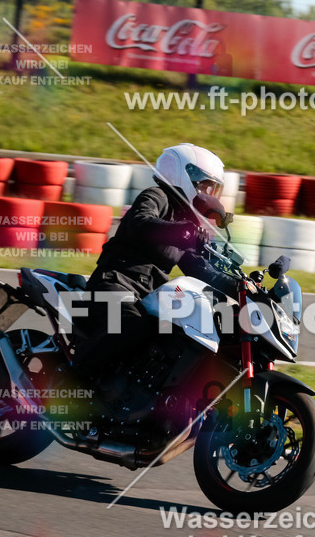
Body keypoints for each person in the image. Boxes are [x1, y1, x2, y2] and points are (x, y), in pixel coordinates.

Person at [72, 143, 236, 377]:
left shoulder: (186, 221)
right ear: (184, 176)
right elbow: (141, 222)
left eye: (213, 189)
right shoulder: (156, 196)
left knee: (177, 333)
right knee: (132, 324)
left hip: (148, 295)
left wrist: (243, 286)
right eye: (205, 186)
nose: (208, 195)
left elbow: (201, 269)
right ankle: (71, 380)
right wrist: (183, 231)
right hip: (115, 282)